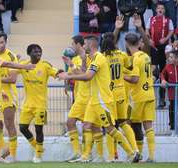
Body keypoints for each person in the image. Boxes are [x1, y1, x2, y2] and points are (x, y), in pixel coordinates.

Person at [59, 35, 140, 163]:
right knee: (86, 125)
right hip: (94, 99)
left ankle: (131, 153)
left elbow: (88, 76)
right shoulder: (92, 58)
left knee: (110, 128)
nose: (83, 46)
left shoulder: (99, 57)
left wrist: (68, 77)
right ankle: (85, 156)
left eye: (84, 44)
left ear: (91, 45)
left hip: (103, 100)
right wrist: (76, 64)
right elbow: (84, 72)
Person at [0, 34, 35, 163]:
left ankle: (2, 155)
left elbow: (10, 78)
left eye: (3, 42)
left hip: (0, 95)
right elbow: (6, 65)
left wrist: (1, 89)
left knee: (3, 124)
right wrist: (24, 66)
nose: (1, 45)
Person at [18, 44, 63, 163]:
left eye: (39, 51)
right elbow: (12, 71)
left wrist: (61, 73)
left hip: (40, 105)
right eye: (35, 52)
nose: (38, 53)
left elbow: (56, 73)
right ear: (29, 53)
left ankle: (38, 156)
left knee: (39, 129)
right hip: (27, 104)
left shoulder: (45, 65)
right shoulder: (24, 65)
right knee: (22, 128)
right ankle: (38, 147)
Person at [100, 32, 139, 162]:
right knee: (123, 123)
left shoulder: (101, 57)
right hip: (121, 92)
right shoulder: (122, 54)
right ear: (115, 42)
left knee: (110, 125)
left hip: (108, 94)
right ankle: (135, 150)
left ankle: (111, 156)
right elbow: (130, 66)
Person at [123, 33, 156, 162]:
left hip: (139, 96)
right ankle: (151, 156)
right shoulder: (146, 56)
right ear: (138, 42)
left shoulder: (135, 58)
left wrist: (122, 76)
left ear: (127, 43)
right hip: (150, 94)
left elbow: (135, 79)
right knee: (148, 125)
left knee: (132, 124)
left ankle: (138, 153)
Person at [64, 35, 91, 162]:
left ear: (78, 45)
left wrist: (72, 66)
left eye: (73, 44)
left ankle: (86, 154)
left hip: (88, 96)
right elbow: (71, 75)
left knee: (88, 126)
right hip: (79, 96)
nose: (72, 46)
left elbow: (84, 75)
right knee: (70, 123)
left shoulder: (88, 58)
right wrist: (65, 79)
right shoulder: (74, 59)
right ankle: (77, 152)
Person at [0, 32, 18, 162]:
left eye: (2, 42)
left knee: (9, 124)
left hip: (9, 96)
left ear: (6, 42)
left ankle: (12, 155)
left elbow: (13, 79)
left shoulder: (11, 56)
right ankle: (4, 148)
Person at [146, 2, 174, 109]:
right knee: (152, 71)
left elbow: (171, 31)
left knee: (163, 72)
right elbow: (147, 30)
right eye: (159, 8)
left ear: (164, 10)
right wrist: (149, 40)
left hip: (163, 48)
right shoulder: (151, 19)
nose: (160, 10)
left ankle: (162, 100)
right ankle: (150, 98)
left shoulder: (168, 20)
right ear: (156, 10)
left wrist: (165, 39)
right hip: (154, 47)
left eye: (162, 8)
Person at [161, 50, 178, 137]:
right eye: (169, 57)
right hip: (172, 95)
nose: (169, 58)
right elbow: (162, 74)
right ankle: (173, 129)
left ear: (177, 58)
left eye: (171, 57)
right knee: (172, 112)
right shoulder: (167, 67)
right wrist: (163, 80)